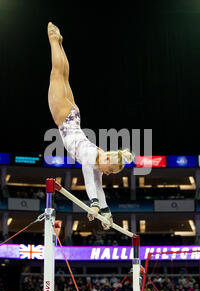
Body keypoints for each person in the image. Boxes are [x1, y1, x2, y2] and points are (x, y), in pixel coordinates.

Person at [47, 22, 134, 229]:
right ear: (106, 159)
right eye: (110, 170)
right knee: (57, 73)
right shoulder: (90, 158)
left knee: (63, 75)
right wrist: (93, 204)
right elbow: (89, 180)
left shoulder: (98, 160)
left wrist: (106, 212)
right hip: (66, 118)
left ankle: (59, 43)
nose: (108, 173)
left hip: (73, 116)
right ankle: (53, 40)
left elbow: (97, 187)